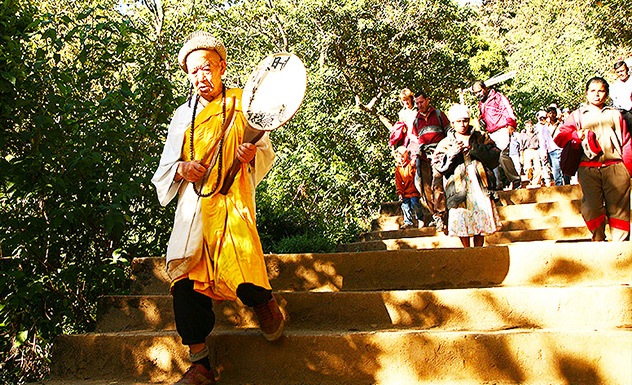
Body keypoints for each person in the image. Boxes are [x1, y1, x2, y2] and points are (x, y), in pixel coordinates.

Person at [151, 31, 283, 384]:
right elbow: (165, 168)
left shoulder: (245, 103)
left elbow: (263, 148)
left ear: (222, 66)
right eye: (193, 72)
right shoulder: (183, 115)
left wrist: (250, 154)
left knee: (240, 262)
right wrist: (181, 168)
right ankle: (200, 364)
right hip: (193, 205)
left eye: (207, 68)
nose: (201, 77)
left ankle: (264, 305)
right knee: (183, 278)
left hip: (231, 198)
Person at [554, 77, 632, 242]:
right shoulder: (577, 115)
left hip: (615, 167)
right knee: (592, 208)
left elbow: (625, 142)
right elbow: (559, 138)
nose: (597, 95)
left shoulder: (615, 114)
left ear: (606, 94)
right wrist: (575, 135)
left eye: (601, 91)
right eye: (593, 91)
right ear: (587, 93)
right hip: (588, 168)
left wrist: (629, 169)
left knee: (619, 209)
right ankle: (598, 241)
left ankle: (620, 247)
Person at [432, 104, 502, 248]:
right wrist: (452, 153)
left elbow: (494, 156)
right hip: (458, 187)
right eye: (459, 121)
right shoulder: (446, 143)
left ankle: (478, 249)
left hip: (479, 184)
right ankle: (466, 250)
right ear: (452, 123)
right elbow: (438, 166)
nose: (463, 124)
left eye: (465, 120)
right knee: (462, 215)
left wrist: (474, 149)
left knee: (480, 216)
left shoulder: (480, 137)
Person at [472, 80, 522, 190]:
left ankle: (515, 180)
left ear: (485, 89)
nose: (477, 94)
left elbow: (508, 110)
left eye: (479, 91)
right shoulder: (481, 104)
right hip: (491, 133)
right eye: (475, 93)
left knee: (503, 155)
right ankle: (497, 183)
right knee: (489, 156)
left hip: (502, 129)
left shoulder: (498, 97)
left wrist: (511, 125)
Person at [412, 90, 449, 230]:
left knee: (438, 186)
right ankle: (435, 215)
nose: (419, 105)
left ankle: (442, 215)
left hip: (440, 156)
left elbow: (449, 132)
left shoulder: (439, 114)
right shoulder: (416, 120)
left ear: (427, 100)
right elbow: (415, 139)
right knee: (425, 187)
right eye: (417, 103)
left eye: (421, 102)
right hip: (424, 158)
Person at [394, 146, 425, 229]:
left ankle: (420, 218)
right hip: (405, 192)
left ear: (406, 155)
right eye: (399, 157)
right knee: (405, 206)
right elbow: (398, 183)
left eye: (403, 157)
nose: (401, 159)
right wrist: (400, 193)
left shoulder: (411, 165)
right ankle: (408, 221)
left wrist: (419, 189)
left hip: (413, 191)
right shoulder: (398, 170)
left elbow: (416, 177)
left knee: (415, 203)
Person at [539, 106, 567, 186]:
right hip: (552, 150)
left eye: (553, 113)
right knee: (556, 169)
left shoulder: (562, 125)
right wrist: (544, 152)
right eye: (550, 113)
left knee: (565, 169)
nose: (552, 115)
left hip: (562, 149)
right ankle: (559, 187)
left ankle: (567, 185)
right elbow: (543, 141)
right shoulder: (545, 128)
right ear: (547, 115)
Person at [520, 119, 544, 187]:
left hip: (535, 150)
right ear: (525, 127)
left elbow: (539, 143)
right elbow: (521, 146)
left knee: (538, 168)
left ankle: (535, 182)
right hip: (527, 151)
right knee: (528, 168)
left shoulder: (536, 134)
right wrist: (521, 156)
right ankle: (530, 178)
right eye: (528, 126)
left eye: (530, 126)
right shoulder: (522, 135)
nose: (529, 128)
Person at [611, 60, 632, 133]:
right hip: (625, 116)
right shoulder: (614, 86)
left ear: (627, 70)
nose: (620, 74)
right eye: (618, 72)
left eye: (622, 71)